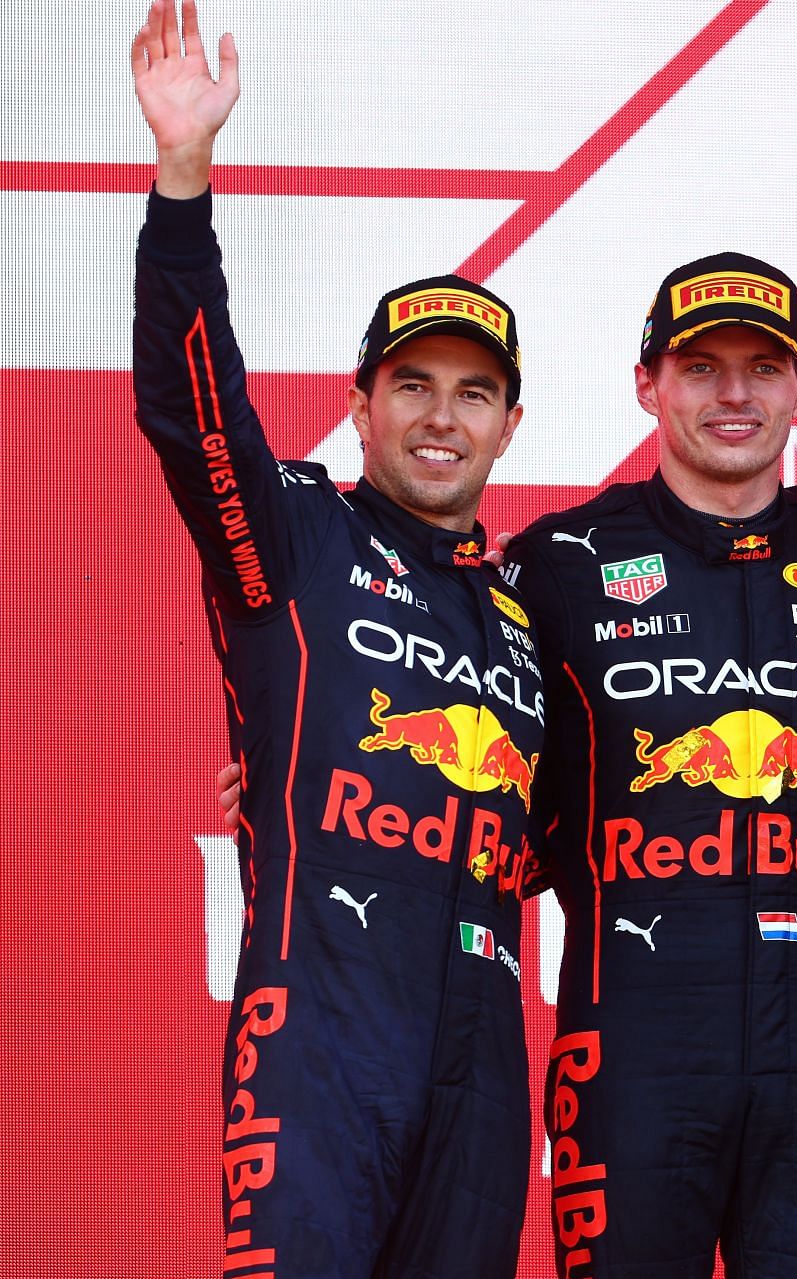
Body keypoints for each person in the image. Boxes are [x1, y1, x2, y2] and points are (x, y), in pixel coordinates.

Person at [131, 2, 544, 1275]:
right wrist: (183, 184)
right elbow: (194, 417)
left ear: (509, 426)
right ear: (360, 407)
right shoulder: (298, 538)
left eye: (472, 393)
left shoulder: (528, 614)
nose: (440, 417)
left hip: (482, 1055)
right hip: (321, 1034)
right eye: (411, 385)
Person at [504, 254, 797, 1277]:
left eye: (763, 367)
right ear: (648, 383)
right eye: (701, 366)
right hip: (635, 1034)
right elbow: (475, 751)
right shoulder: (560, 562)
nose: (734, 394)